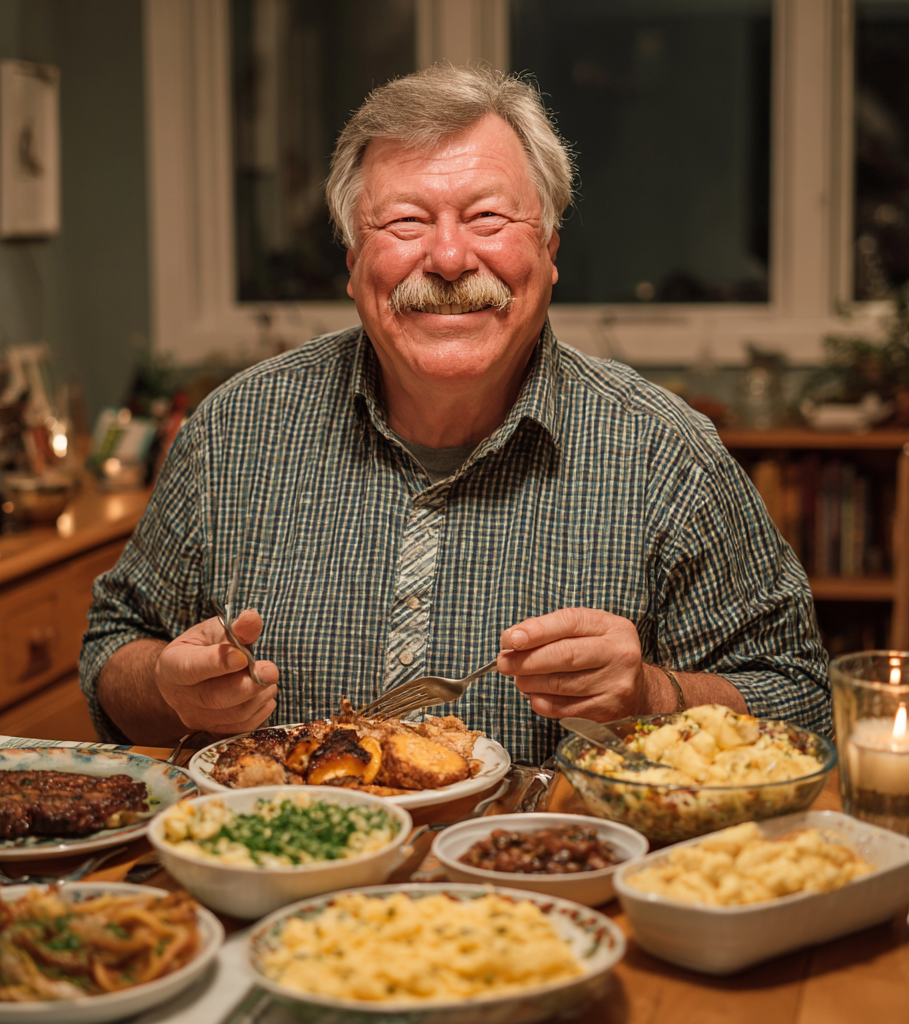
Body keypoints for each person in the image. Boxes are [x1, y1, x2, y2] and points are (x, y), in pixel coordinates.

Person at [80, 65, 830, 765]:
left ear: (549, 248)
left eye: (487, 217)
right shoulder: (233, 432)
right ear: (353, 262)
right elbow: (112, 653)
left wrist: (653, 699)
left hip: (552, 862)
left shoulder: (667, 453)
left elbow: (801, 701)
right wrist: (170, 689)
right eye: (406, 221)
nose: (447, 259)